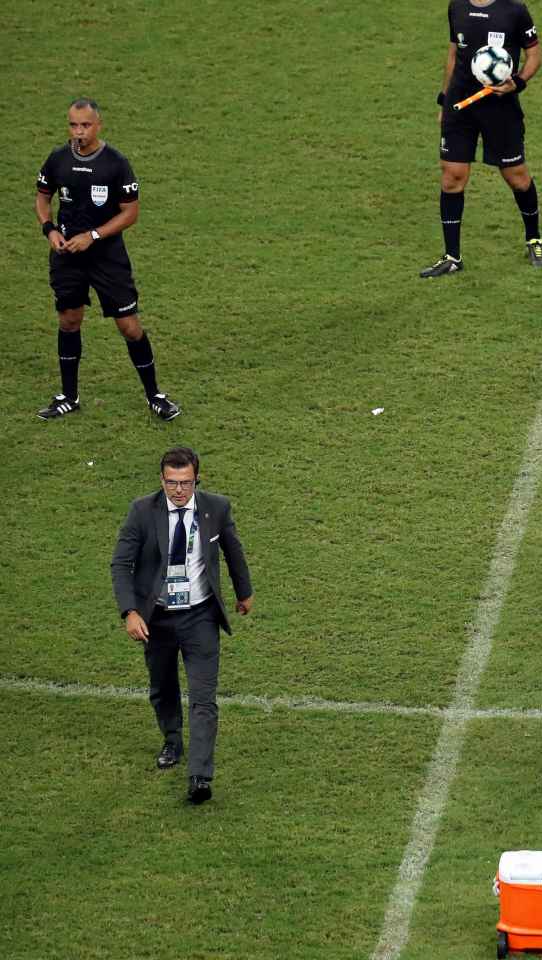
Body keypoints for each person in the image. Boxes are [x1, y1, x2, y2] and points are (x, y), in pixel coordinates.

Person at [111, 447, 254, 805]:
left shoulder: (216, 508)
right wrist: (130, 611)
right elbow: (120, 563)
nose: (178, 490)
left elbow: (233, 551)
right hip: (156, 618)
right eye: (171, 483)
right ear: (161, 480)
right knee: (162, 688)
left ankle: (200, 776)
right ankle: (172, 740)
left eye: (185, 483)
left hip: (200, 616)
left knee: (204, 698)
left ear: (197, 480)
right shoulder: (142, 511)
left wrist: (244, 591)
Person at [36, 98, 180, 422]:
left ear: (98, 125)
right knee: (69, 321)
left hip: (107, 258)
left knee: (129, 327)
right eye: (73, 125)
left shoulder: (116, 163)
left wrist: (94, 236)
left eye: (85, 125)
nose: (79, 132)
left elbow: (131, 213)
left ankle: (154, 395)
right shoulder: (58, 159)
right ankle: (69, 396)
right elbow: (43, 196)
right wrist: (49, 230)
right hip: (67, 256)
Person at [421, 0, 542, 277]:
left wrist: (518, 83)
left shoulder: (515, 10)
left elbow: (534, 55)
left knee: (517, 176)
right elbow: (453, 55)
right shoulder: (457, 7)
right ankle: (452, 257)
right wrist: (444, 101)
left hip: (500, 109)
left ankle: (534, 238)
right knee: (452, 176)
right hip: (461, 106)